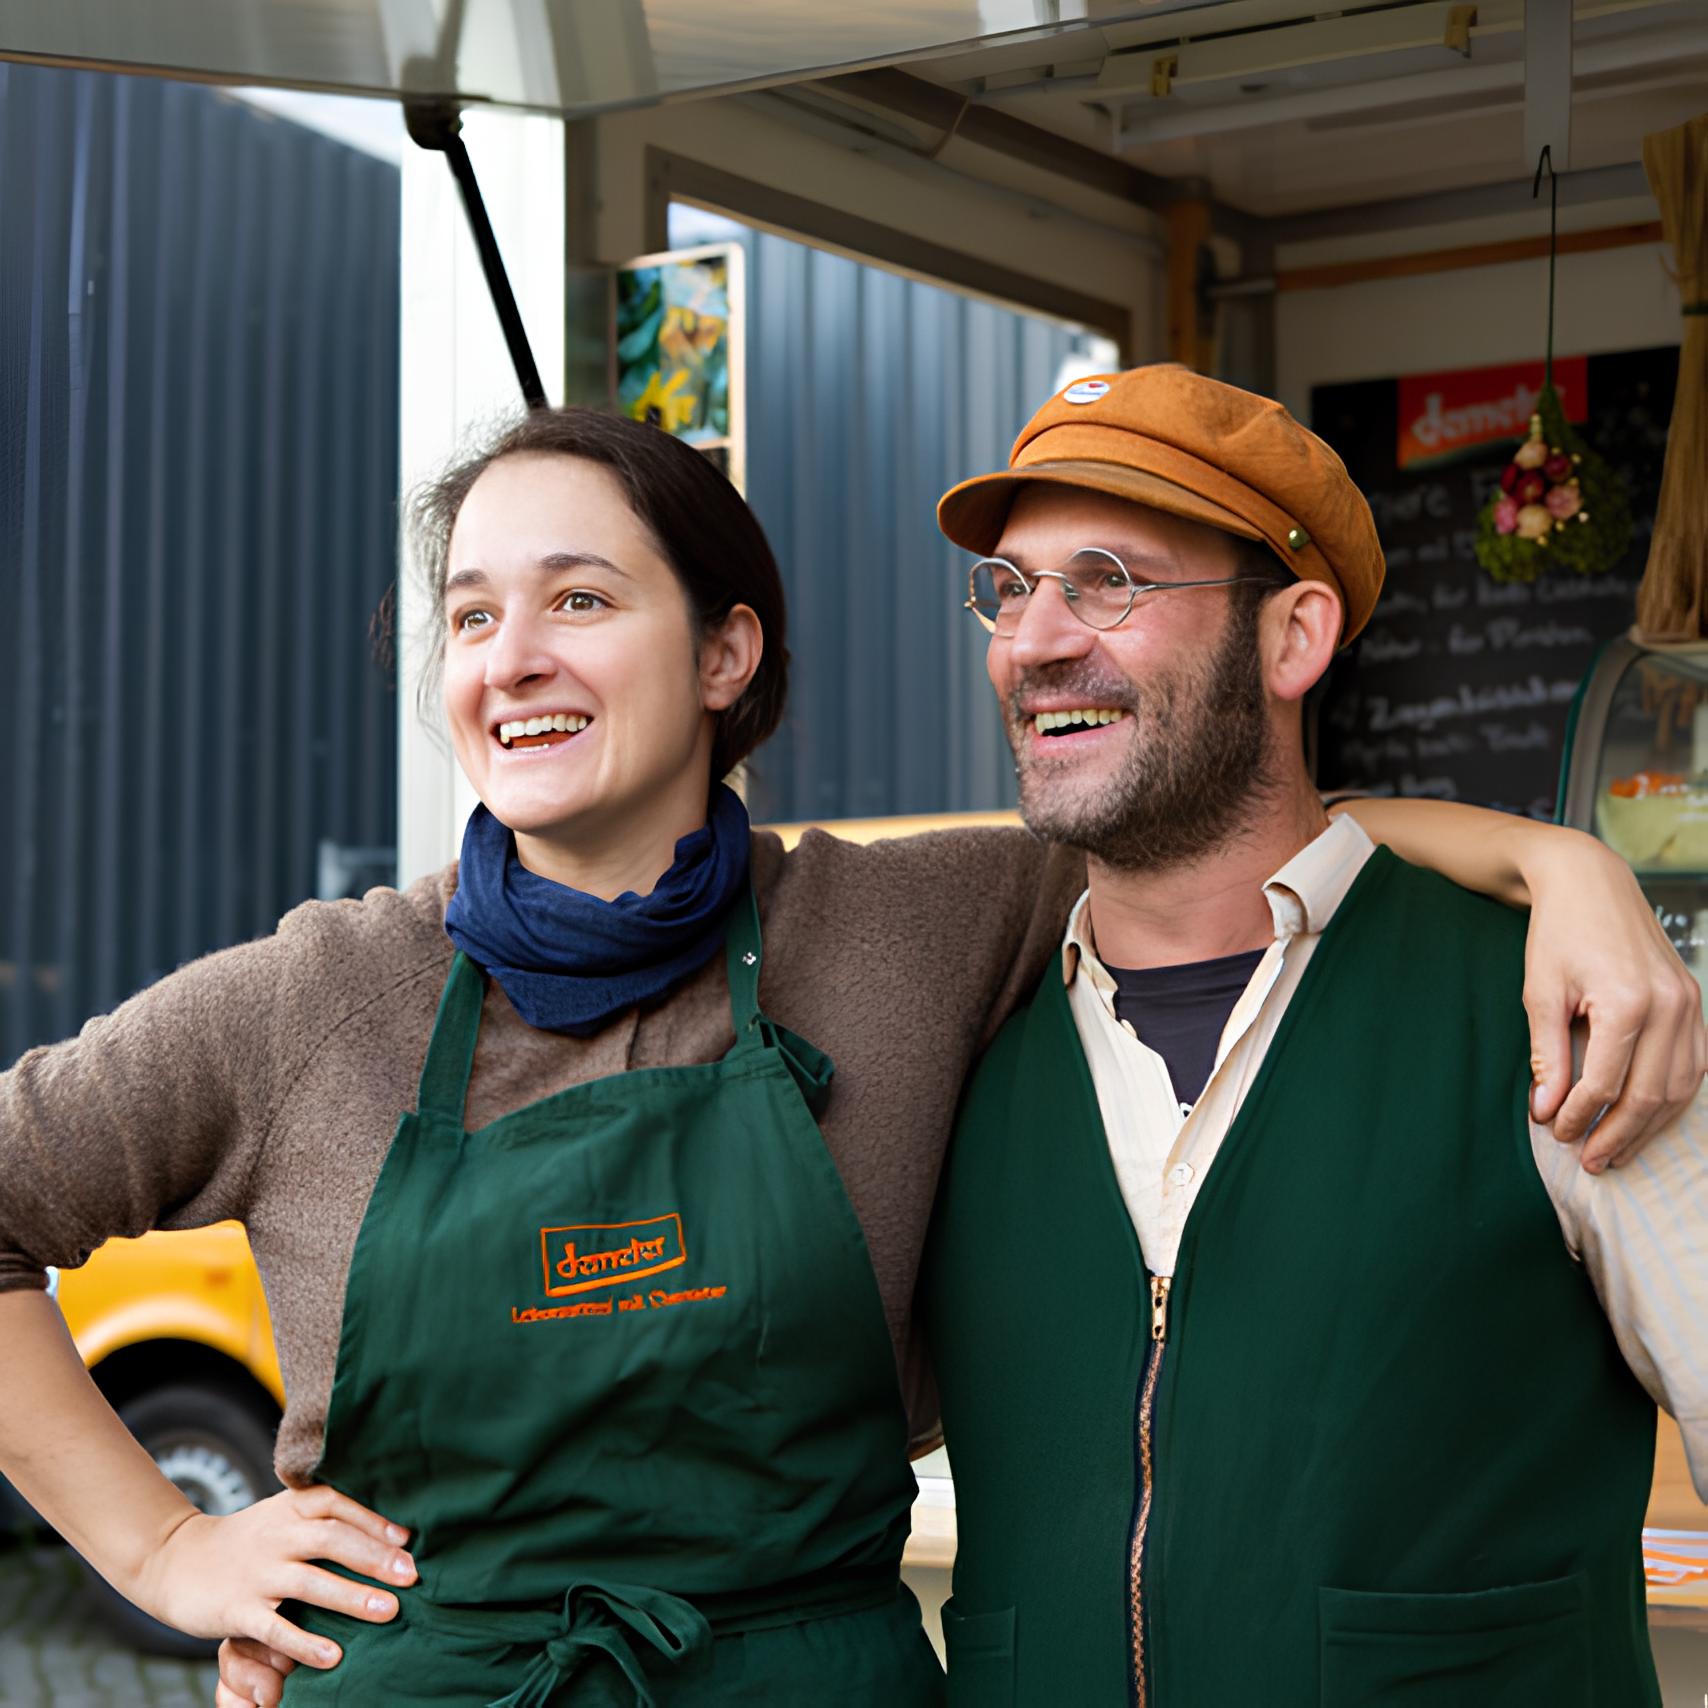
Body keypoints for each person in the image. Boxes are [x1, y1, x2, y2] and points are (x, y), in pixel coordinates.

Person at [0, 411, 1689, 1708]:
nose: (510, 658)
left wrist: (1564, 866)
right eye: (471, 615)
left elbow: (1206, 827)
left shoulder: (904, 925)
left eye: (579, 600)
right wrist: (164, 1543)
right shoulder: (321, 995)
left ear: (727, 653)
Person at [921, 365, 1708, 1707]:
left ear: (1293, 639)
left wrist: (1564, 866)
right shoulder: (951, 1032)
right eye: (1012, 586)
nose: (1034, 641)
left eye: (1108, 579)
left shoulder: (1561, 1021)